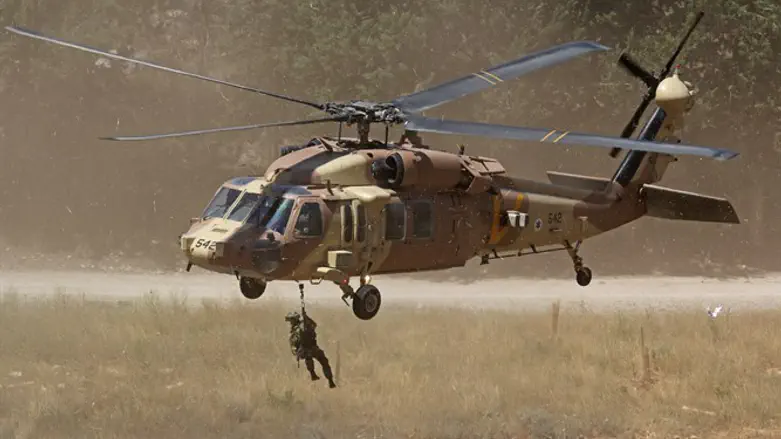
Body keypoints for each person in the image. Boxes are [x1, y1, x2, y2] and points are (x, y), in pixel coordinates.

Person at [285, 310, 336, 388]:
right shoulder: (295, 330)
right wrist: (298, 352)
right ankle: (313, 373)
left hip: (312, 347)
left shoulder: (303, 324)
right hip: (304, 349)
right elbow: (294, 345)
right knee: (308, 356)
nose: (291, 323)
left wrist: (306, 317)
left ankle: (330, 380)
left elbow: (314, 325)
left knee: (323, 360)